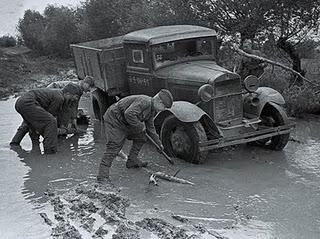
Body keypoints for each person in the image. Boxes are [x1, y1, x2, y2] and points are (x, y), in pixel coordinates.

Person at [97, 89, 174, 183]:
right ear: (159, 102)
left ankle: (132, 160)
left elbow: (150, 127)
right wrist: (140, 126)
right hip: (115, 120)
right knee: (114, 147)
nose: (163, 110)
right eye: (164, 107)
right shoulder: (144, 102)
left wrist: (158, 144)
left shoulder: (152, 110)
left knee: (141, 137)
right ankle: (102, 177)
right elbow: (129, 113)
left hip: (126, 122)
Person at [10, 76, 94, 146]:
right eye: (89, 87)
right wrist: (62, 127)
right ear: (85, 83)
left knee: (31, 122)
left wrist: (71, 123)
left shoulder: (77, 90)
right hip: (48, 96)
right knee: (44, 122)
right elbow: (65, 109)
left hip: (41, 97)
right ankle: (49, 149)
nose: (89, 90)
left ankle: (23, 144)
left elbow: (72, 108)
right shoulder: (75, 90)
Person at [10, 84, 82, 154]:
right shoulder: (59, 98)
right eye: (73, 97)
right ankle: (50, 151)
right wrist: (58, 131)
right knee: (51, 122)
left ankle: (15, 143)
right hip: (28, 102)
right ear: (67, 94)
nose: (73, 100)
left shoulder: (56, 93)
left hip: (20, 102)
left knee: (29, 123)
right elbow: (51, 115)